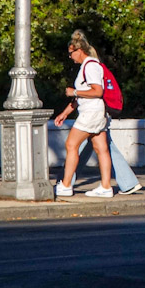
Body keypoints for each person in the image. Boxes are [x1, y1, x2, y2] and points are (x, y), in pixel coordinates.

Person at [51, 32, 115, 198]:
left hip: (91, 113)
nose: (70, 57)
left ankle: (65, 185)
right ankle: (106, 187)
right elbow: (82, 97)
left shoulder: (91, 66)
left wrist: (74, 91)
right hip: (95, 112)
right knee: (101, 149)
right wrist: (65, 113)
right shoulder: (88, 66)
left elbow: (97, 91)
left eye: (71, 53)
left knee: (71, 145)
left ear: (79, 50)